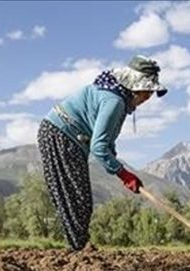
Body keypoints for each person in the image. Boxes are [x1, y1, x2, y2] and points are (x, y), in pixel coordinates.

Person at [36, 55, 167, 251]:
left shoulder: (117, 97)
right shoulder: (114, 102)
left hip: (65, 135)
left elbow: (106, 140)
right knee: (78, 200)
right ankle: (78, 250)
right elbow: (99, 147)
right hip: (61, 134)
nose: (148, 98)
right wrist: (123, 174)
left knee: (79, 200)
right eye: (147, 92)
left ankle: (78, 248)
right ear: (135, 87)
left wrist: (117, 166)